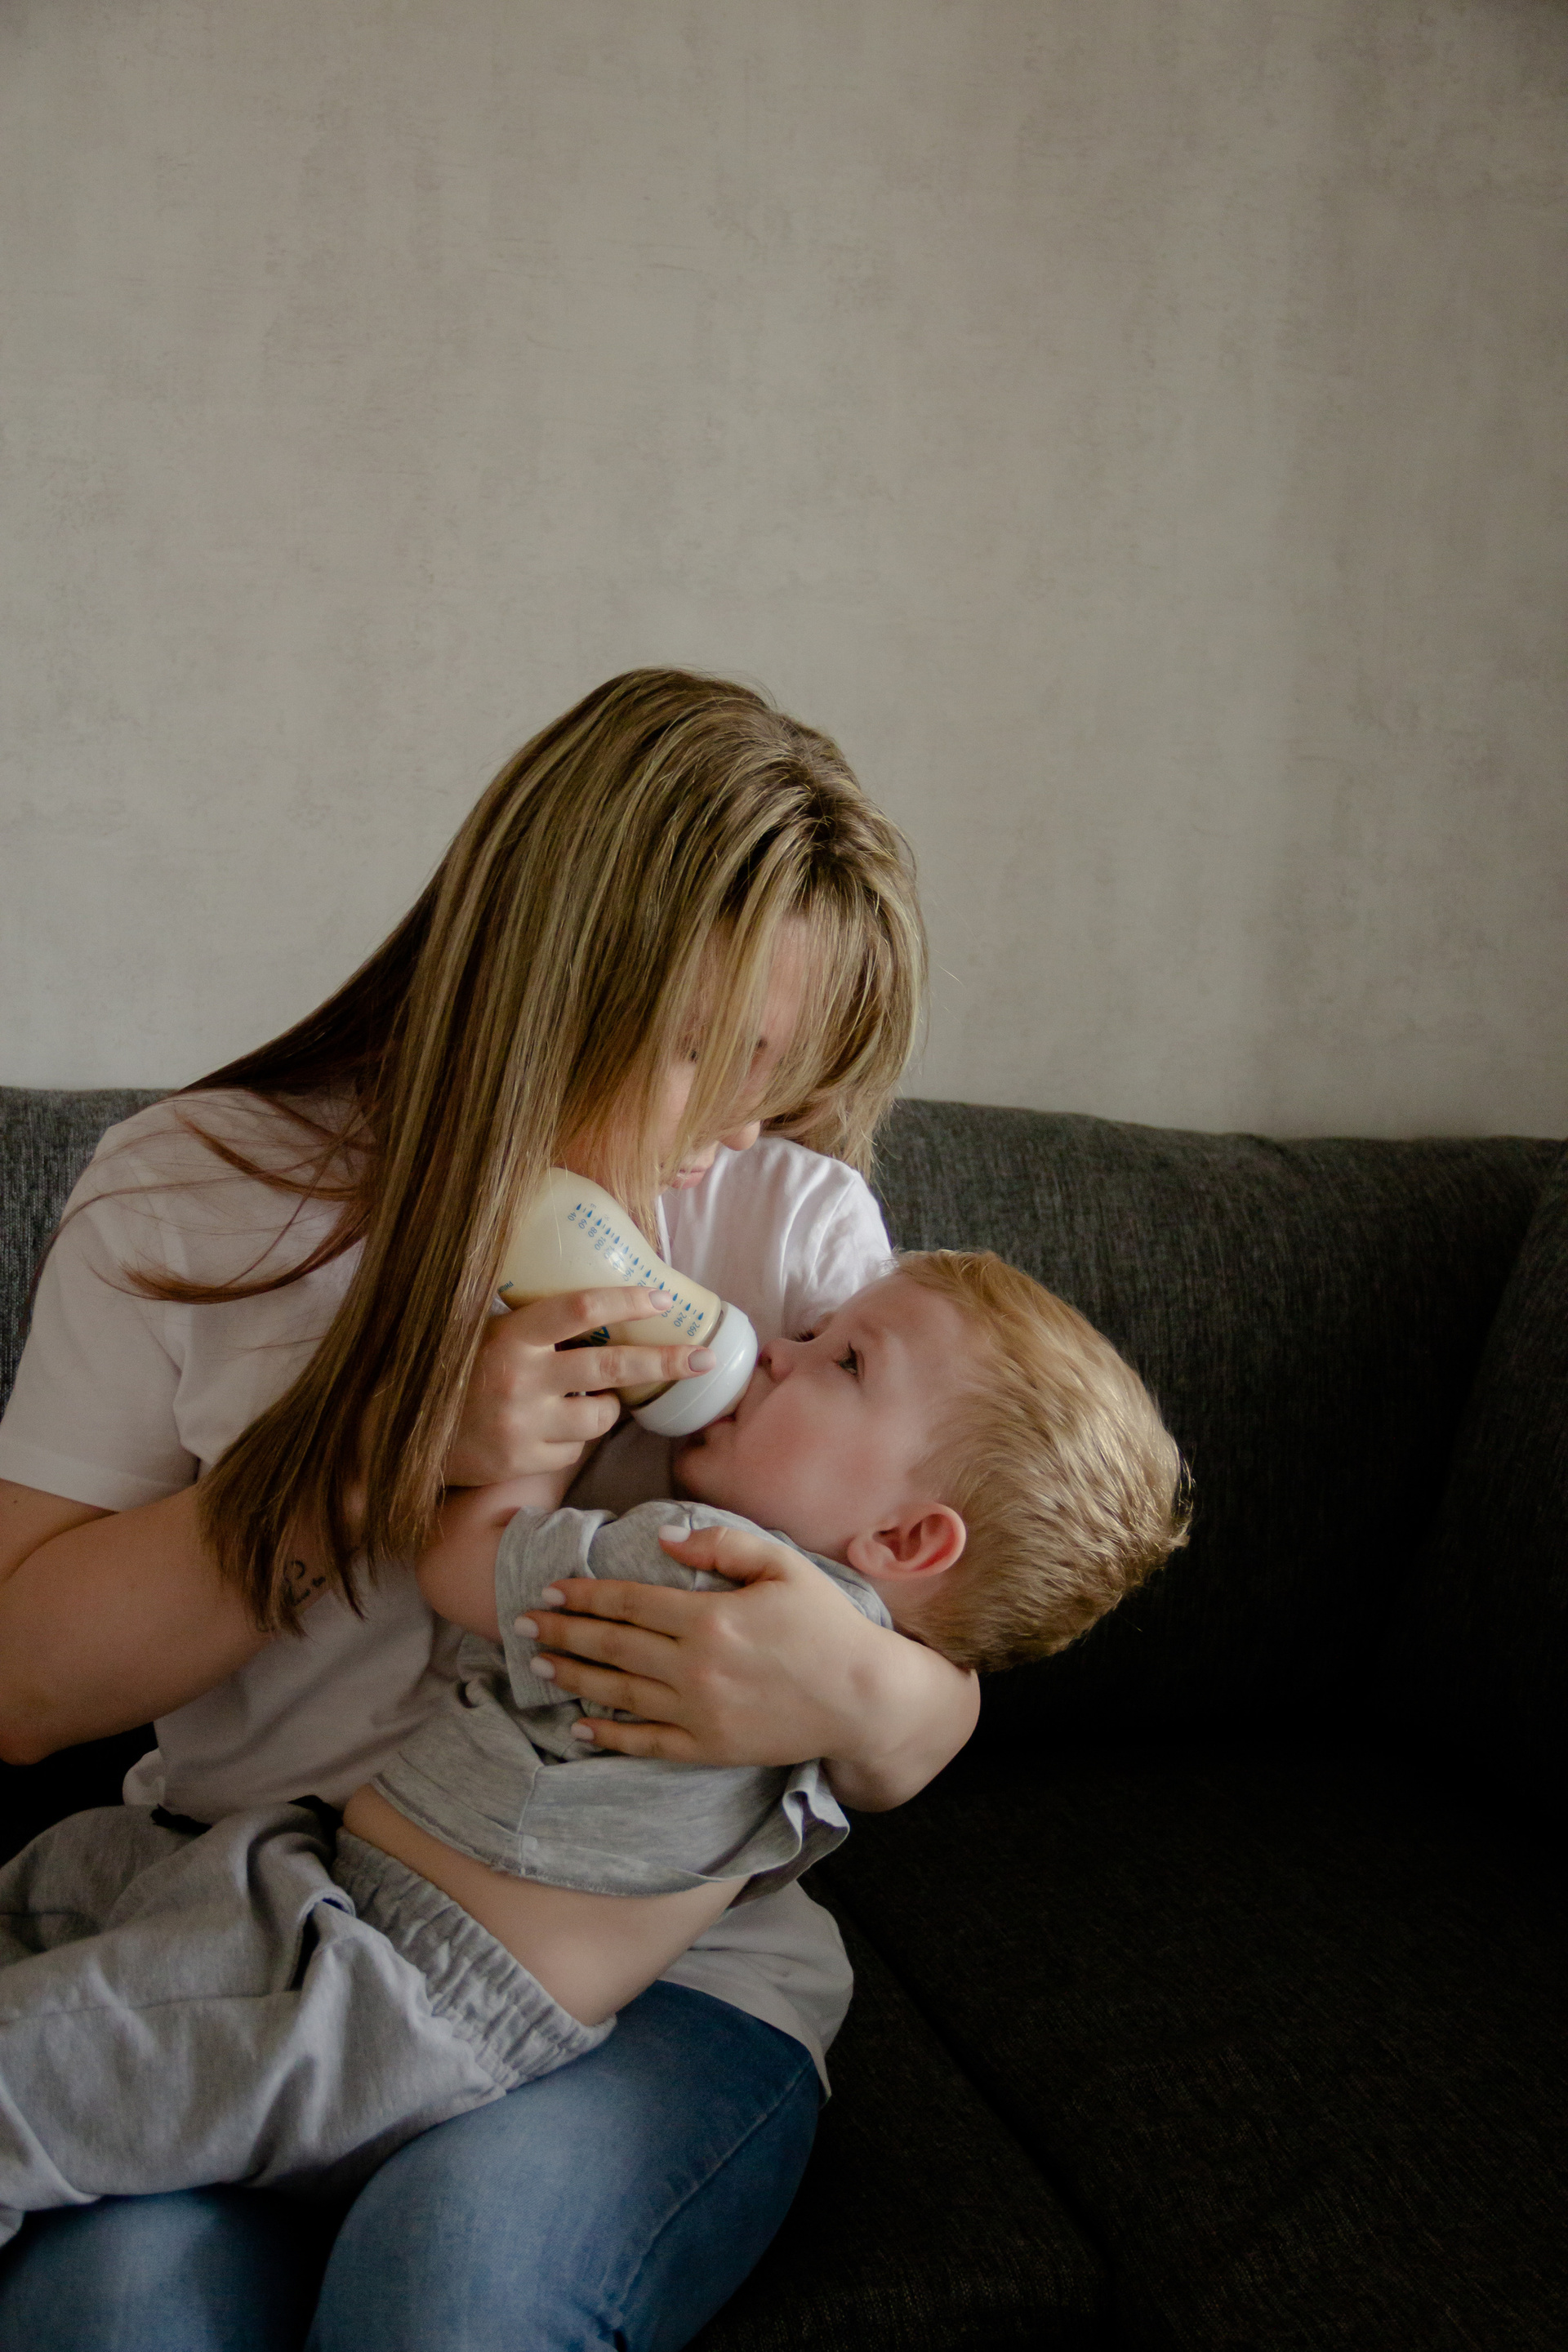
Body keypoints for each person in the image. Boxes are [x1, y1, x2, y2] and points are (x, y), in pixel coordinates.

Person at [0, 670, 981, 2352]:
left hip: (638, 1973)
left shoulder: (793, 1235)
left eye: (782, 1078)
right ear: (546, 973)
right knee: (118, 2314)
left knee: (454, 2289)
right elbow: (24, 1684)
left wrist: (877, 1696)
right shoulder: (193, 1195)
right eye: (708, 1056)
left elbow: (930, 1664)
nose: (733, 1132)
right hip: (243, 1924)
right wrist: (378, 1459)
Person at [0, 1252, 1191, 2239]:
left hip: (384, 1985)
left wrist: (561, 1386)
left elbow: (463, 1560)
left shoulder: (698, 1564)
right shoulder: (844, 1670)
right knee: (75, 1882)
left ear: (909, 1539)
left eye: (844, 1362)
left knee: (38, 2081)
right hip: (399, 1950)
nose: (779, 1349)